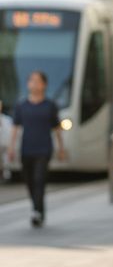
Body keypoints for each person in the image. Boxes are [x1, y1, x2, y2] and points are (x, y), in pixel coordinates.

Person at [8, 70, 66, 226]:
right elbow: (15, 128)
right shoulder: (21, 105)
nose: (34, 84)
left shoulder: (50, 105)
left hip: (44, 149)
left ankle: (37, 212)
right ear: (28, 84)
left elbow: (57, 128)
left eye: (38, 81)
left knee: (39, 180)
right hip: (27, 149)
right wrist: (11, 148)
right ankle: (38, 208)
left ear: (44, 85)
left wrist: (61, 148)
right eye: (31, 81)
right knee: (28, 181)